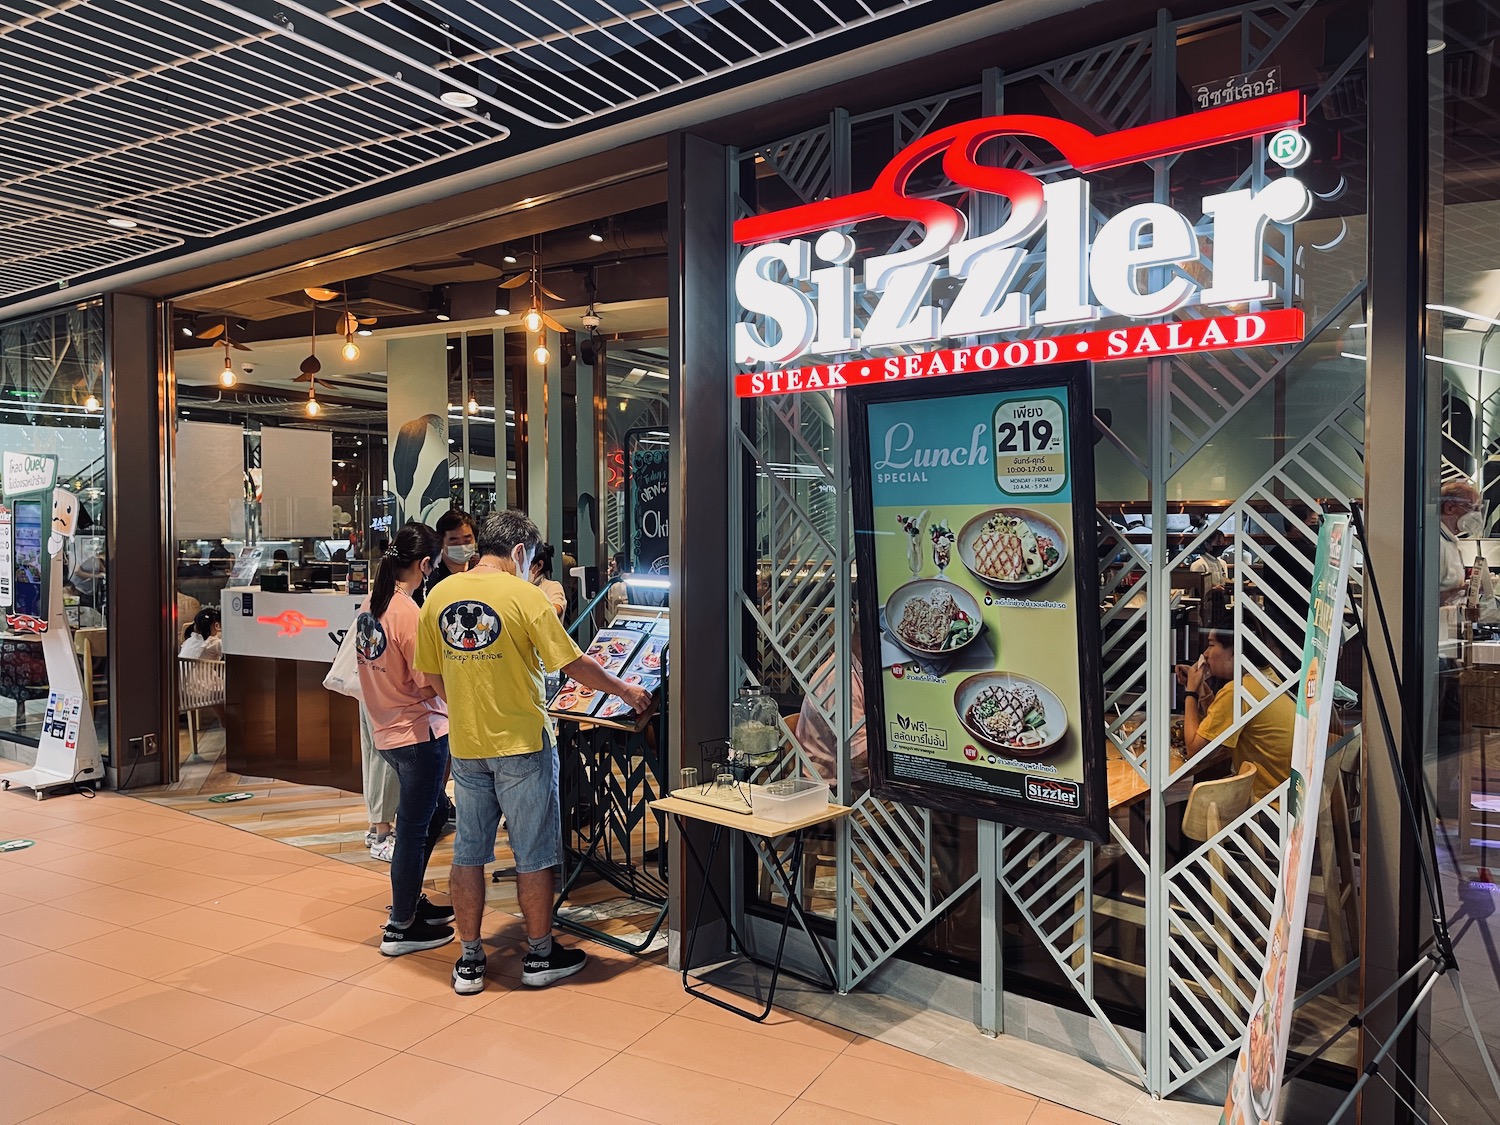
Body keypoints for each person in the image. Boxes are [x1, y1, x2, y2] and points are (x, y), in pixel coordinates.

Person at [415, 510, 652, 995]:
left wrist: (466, 703)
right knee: (535, 855)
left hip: (467, 744)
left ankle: (469, 961)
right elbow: (574, 663)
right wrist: (626, 692)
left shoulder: (437, 595)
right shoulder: (525, 595)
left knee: (469, 854)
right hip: (522, 743)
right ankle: (541, 955)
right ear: (521, 554)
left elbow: (430, 675)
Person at [355, 523, 455, 956]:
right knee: (414, 830)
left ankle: (409, 899)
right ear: (425, 565)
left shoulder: (371, 605)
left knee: (431, 817)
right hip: (418, 735)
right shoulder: (407, 613)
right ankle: (400, 926)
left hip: (389, 733)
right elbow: (428, 680)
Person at [1177, 600, 1295, 802]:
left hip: (1266, 811)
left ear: (1233, 653)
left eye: (1211, 645)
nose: (1205, 654)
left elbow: (1195, 750)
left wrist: (1191, 693)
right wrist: (1203, 689)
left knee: (1170, 818)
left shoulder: (1239, 691)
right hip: (1290, 802)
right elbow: (1223, 724)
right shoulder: (1266, 676)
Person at [1439, 478, 1500, 619]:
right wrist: (1469, 589)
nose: (1478, 515)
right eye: (1474, 508)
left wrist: (1473, 587)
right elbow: (1426, 598)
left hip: (1453, 624)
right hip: (1439, 626)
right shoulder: (1437, 545)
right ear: (1450, 508)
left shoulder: (1452, 543)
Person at [426, 508, 477, 597]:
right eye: (454, 542)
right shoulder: (431, 575)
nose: (462, 546)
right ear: (441, 542)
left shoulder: (480, 569)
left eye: (467, 541)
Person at [529, 542, 567, 618]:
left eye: (526, 563)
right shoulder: (519, 585)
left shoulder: (552, 586)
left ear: (539, 565)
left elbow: (557, 608)